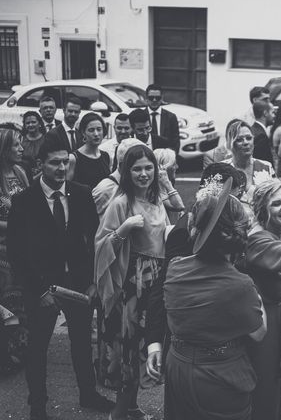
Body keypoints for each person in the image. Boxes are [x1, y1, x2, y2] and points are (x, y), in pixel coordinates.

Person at [7, 136, 113, 420]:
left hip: (78, 284)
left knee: (81, 343)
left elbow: (93, 240)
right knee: (38, 348)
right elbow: (17, 253)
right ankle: (38, 405)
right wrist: (40, 291)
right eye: (55, 162)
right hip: (40, 285)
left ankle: (88, 394)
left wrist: (93, 281)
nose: (61, 168)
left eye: (65, 162)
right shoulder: (24, 200)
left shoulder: (81, 193)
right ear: (41, 164)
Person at [156, 175, 267, 420]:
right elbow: (258, 333)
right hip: (219, 375)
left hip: (178, 366)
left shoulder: (175, 267)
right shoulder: (240, 285)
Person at [144, 163, 248, 406]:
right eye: (234, 197)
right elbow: (162, 288)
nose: (237, 204)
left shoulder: (228, 225)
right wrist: (154, 343)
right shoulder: (185, 231)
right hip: (189, 344)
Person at [94, 144, 170, 420]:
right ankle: (119, 412)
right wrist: (123, 230)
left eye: (148, 167)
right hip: (133, 286)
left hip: (156, 282)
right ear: (127, 171)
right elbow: (101, 246)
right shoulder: (120, 203)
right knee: (130, 348)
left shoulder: (157, 197)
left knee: (145, 346)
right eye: (137, 168)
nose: (143, 173)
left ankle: (132, 407)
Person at [242, 180, 281, 420]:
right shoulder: (256, 239)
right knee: (265, 384)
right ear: (262, 209)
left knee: (276, 383)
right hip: (264, 320)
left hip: (280, 318)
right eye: (277, 203)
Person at [0, 127, 29, 374]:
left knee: (18, 302)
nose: (22, 149)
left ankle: (14, 349)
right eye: (16, 146)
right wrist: (17, 223)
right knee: (3, 304)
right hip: (1, 251)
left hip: (20, 248)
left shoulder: (20, 172)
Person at [222, 120, 275, 217]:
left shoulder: (266, 166)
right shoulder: (222, 170)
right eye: (239, 139)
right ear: (230, 143)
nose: (245, 142)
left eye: (249, 138)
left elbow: (275, 198)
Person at [91, 138, 144, 218]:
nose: (143, 173)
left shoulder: (140, 185)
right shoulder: (105, 190)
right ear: (123, 165)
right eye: (137, 167)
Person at [68, 113, 111, 190]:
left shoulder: (105, 156)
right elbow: (67, 187)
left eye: (99, 129)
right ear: (83, 133)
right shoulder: (74, 158)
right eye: (91, 130)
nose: (96, 134)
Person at [146, 84, 180, 154]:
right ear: (146, 98)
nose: (154, 100)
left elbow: (175, 143)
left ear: (162, 98)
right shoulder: (141, 116)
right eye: (151, 97)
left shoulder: (171, 117)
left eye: (157, 98)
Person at [21, 110, 46, 179]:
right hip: (25, 177)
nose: (30, 125)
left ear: (39, 123)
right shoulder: (20, 140)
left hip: (44, 176)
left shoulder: (47, 139)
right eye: (27, 123)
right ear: (25, 125)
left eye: (33, 122)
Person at [252, 99, 275, 165]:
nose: (274, 116)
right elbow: (263, 162)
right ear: (265, 113)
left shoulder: (252, 129)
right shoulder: (261, 136)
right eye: (272, 112)